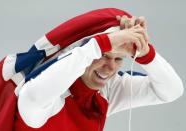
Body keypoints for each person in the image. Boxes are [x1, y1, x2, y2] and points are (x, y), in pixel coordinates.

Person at [12, 9, 184, 131]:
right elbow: (32, 98)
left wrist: (145, 52)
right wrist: (99, 44)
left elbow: (171, 91)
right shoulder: (46, 94)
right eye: (103, 55)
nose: (109, 68)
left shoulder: (108, 89)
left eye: (118, 59)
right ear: (84, 52)